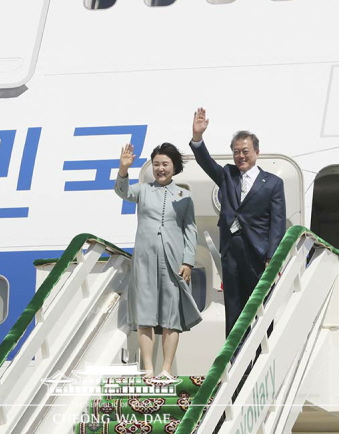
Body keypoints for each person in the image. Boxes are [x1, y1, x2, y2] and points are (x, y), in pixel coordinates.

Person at [189, 107, 286, 336]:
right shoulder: (227, 175)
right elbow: (205, 162)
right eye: (236, 152)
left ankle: (262, 355)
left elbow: (278, 223)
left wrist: (272, 256)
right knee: (233, 308)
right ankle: (234, 364)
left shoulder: (273, 183)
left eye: (245, 151)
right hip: (231, 251)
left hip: (258, 252)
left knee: (260, 306)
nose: (240, 156)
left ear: (257, 152)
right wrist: (197, 137)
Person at [115, 142, 201, 378]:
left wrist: (188, 261)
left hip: (173, 261)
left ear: (174, 167)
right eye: (156, 164)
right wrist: (123, 169)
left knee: (171, 316)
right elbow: (122, 192)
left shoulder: (185, 196)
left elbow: (190, 230)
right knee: (145, 314)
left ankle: (166, 369)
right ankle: (148, 369)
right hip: (144, 259)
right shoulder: (142, 190)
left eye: (165, 164)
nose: (160, 169)